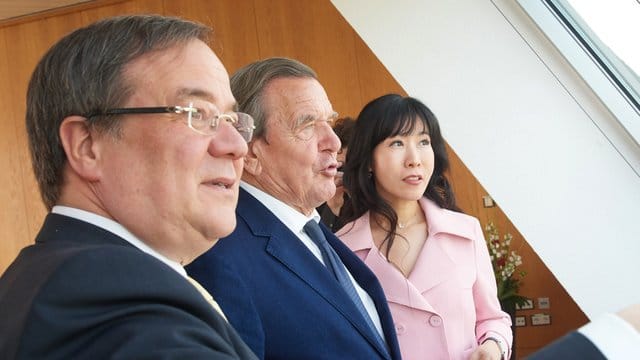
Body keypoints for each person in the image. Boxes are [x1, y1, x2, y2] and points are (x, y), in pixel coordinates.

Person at [0, 15, 258, 359]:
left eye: (230, 120)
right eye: (197, 113)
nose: (237, 146)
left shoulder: (49, 280)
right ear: (88, 146)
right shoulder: (107, 304)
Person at [186, 58, 402, 360]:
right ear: (250, 153)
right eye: (307, 125)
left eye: (329, 121)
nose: (333, 141)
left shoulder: (314, 230)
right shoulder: (222, 258)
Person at [337, 94, 512, 360]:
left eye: (423, 142)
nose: (414, 159)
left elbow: (493, 319)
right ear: (369, 159)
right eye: (397, 142)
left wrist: (493, 347)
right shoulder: (342, 248)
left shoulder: (465, 232)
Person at [317, 116, 356, 231]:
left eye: (352, 167)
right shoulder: (318, 199)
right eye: (338, 166)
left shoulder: (381, 199)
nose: (343, 174)